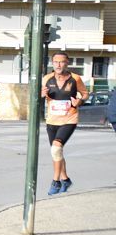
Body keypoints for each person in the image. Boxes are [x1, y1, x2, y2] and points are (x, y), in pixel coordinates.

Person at [41, 51, 88, 195]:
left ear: (67, 63)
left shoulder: (75, 78)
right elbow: (39, 95)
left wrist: (79, 101)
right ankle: (65, 179)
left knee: (56, 149)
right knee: (57, 152)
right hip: (52, 120)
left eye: (62, 62)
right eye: (56, 62)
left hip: (69, 119)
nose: (58, 65)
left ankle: (55, 181)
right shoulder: (47, 78)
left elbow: (85, 93)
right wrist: (41, 94)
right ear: (52, 63)